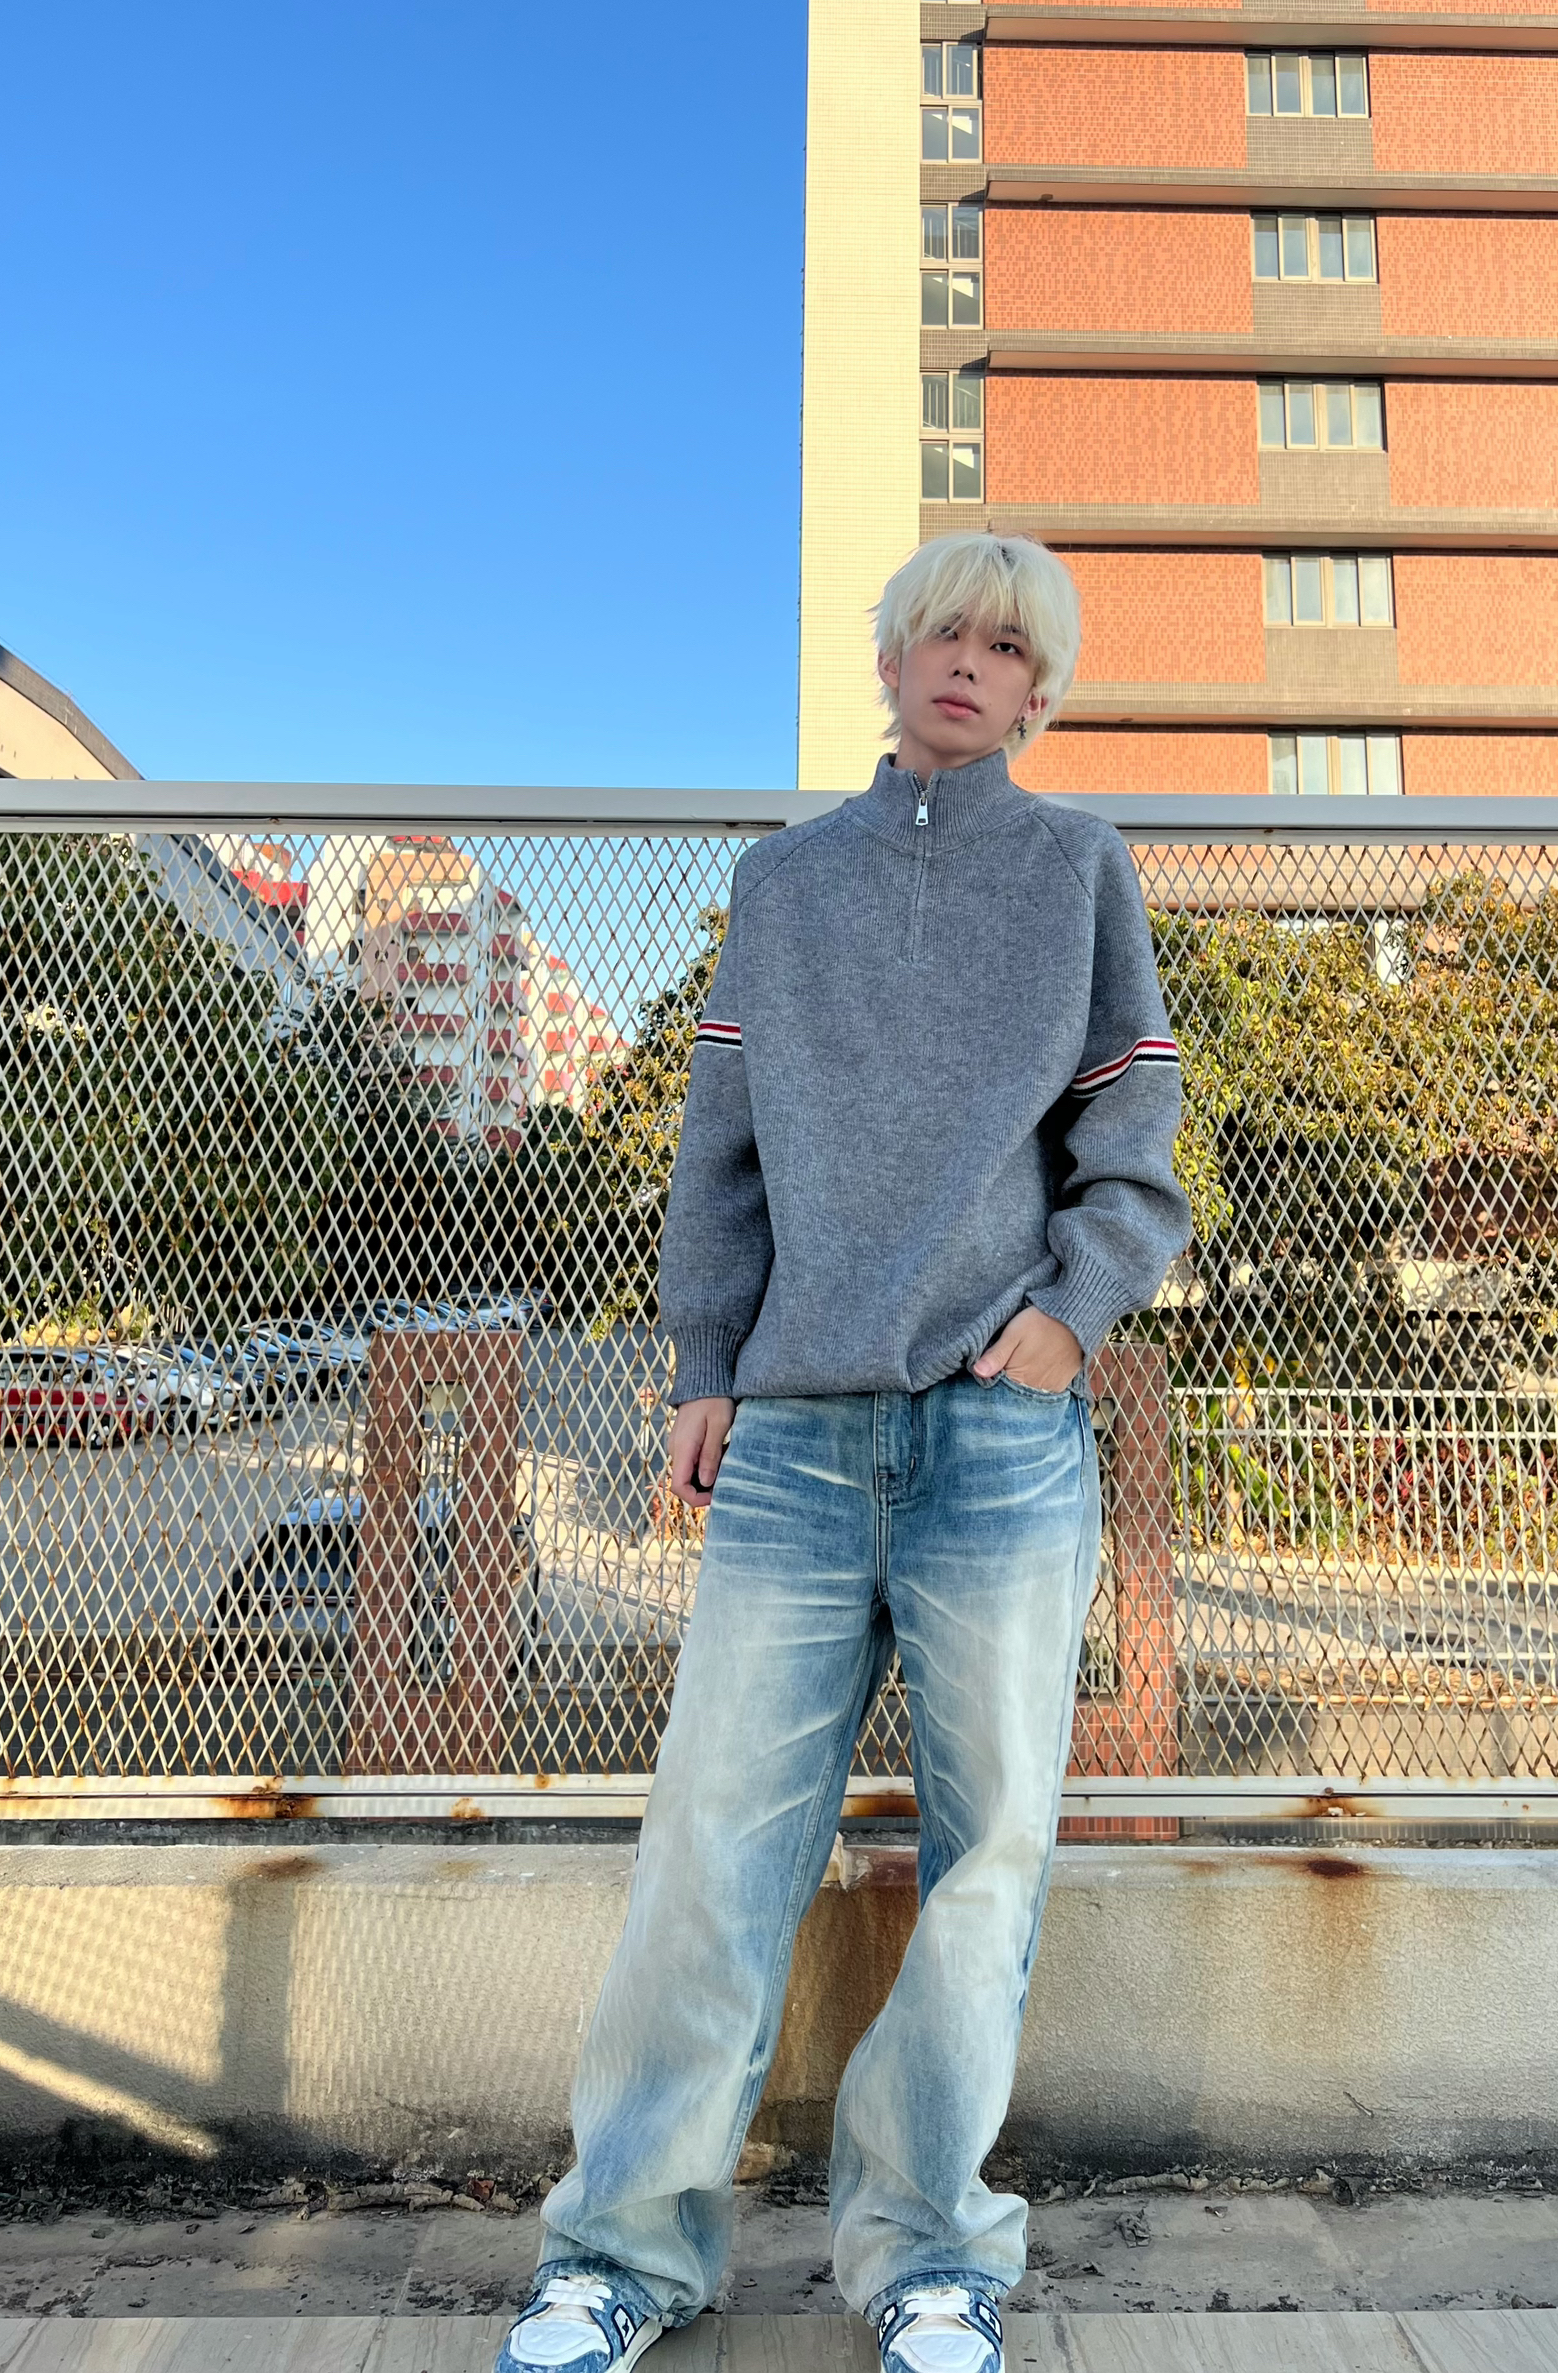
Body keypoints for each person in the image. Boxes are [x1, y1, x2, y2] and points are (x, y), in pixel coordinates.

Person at [495, 534, 1189, 2373]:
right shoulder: (783, 880)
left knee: (988, 1854)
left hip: (997, 1435)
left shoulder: (1077, 865)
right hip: (793, 1442)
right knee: (713, 1848)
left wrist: (1067, 1318)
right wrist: (701, 1364)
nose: (968, 662)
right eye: (940, 633)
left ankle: (931, 2257)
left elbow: (1133, 1137)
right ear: (888, 661)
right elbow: (718, 1142)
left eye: (1006, 646)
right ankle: (620, 2253)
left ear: (1039, 690)